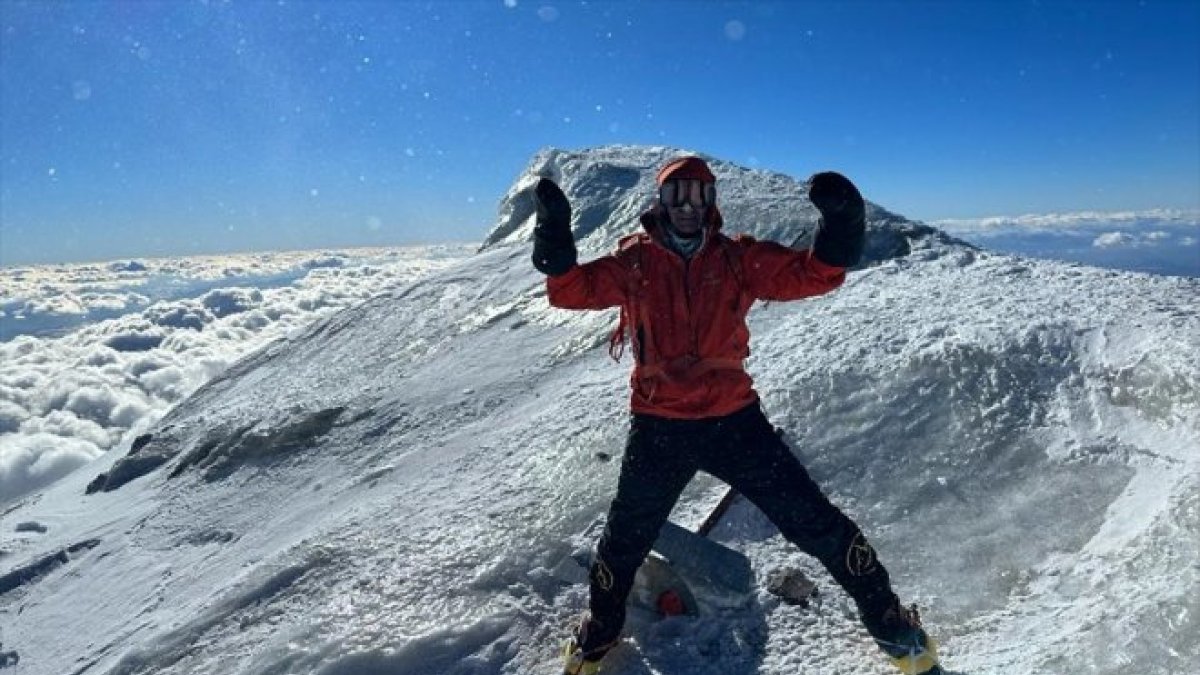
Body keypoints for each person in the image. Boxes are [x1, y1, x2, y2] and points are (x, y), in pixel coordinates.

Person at [532, 156, 941, 675]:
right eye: (677, 195)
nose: (688, 207)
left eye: (699, 196)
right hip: (659, 426)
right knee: (624, 540)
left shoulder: (736, 259)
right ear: (661, 203)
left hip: (735, 424)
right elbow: (570, 291)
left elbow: (815, 275)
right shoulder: (634, 263)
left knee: (818, 526)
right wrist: (554, 233)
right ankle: (601, 633)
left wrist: (843, 223)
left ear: (711, 204)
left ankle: (893, 629)